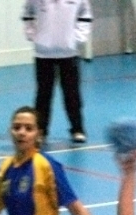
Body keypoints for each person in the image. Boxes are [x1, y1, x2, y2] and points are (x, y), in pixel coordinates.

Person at [22, 0, 92, 145]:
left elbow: (85, 16)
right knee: (43, 95)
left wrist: (78, 38)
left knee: (72, 93)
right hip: (43, 54)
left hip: (69, 53)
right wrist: (33, 36)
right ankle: (41, 131)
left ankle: (77, 129)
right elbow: (27, 14)